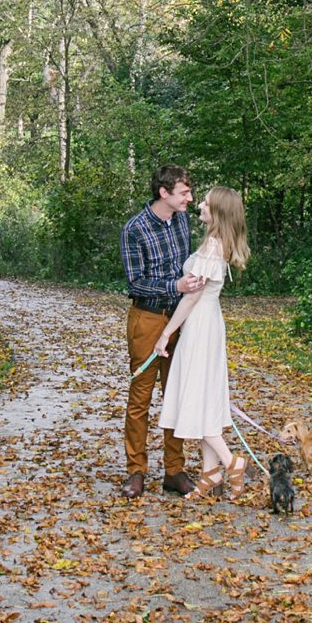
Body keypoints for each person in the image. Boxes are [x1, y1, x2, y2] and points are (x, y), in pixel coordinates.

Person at [153, 185, 252, 499]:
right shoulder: (217, 242)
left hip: (200, 326)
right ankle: (210, 474)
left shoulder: (212, 245)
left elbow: (191, 298)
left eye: (206, 203)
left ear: (218, 211)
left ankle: (231, 462)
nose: (200, 206)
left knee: (195, 397)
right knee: (204, 399)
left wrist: (166, 332)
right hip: (210, 324)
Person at [120, 165, 203, 498]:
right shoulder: (134, 229)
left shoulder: (182, 220)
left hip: (180, 320)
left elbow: (187, 263)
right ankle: (136, 472)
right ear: (164, 193)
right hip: (147, 320)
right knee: (140, 398)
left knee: (177, 396)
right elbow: (134, 281)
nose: (190, 198)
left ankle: (174, 471)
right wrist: (175, 285)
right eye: (184, 192)